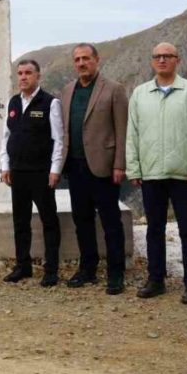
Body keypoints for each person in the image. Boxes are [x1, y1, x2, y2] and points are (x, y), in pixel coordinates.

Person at [127, 42, 187, 304]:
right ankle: (156, 279)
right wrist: (134, 167)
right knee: (154, 230)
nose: (162, 60)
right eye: (157, 57)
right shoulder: (140, 94)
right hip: (151, 173)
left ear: (177, 60)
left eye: (167, 56)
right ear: (152, 61)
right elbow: (133, 134)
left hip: (183, 174)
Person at [59, 43, 129, 295]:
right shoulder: (67, 91)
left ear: (97, 60)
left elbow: (122, 130)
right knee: (82, 220)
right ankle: (87, 269)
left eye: (86, 58)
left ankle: (116, 274)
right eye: (77, 59)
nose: (81, 63)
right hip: (75, 167)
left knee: (111, 222)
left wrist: (120, 164)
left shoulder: (114, 89)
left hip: (104, 167)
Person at [0, 59, 64, 287]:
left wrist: (55, 169)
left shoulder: (50, 103)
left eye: (28, 73)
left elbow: (59, 140)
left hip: (41, 173)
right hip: (18, 172)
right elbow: (6, 136)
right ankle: (23, 266)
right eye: (20, 73)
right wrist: (5, 164)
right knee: (20, 221)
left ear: (38, 76)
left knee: (49, 221)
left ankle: (51, 270)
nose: (23, 77)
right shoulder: (13, 103)